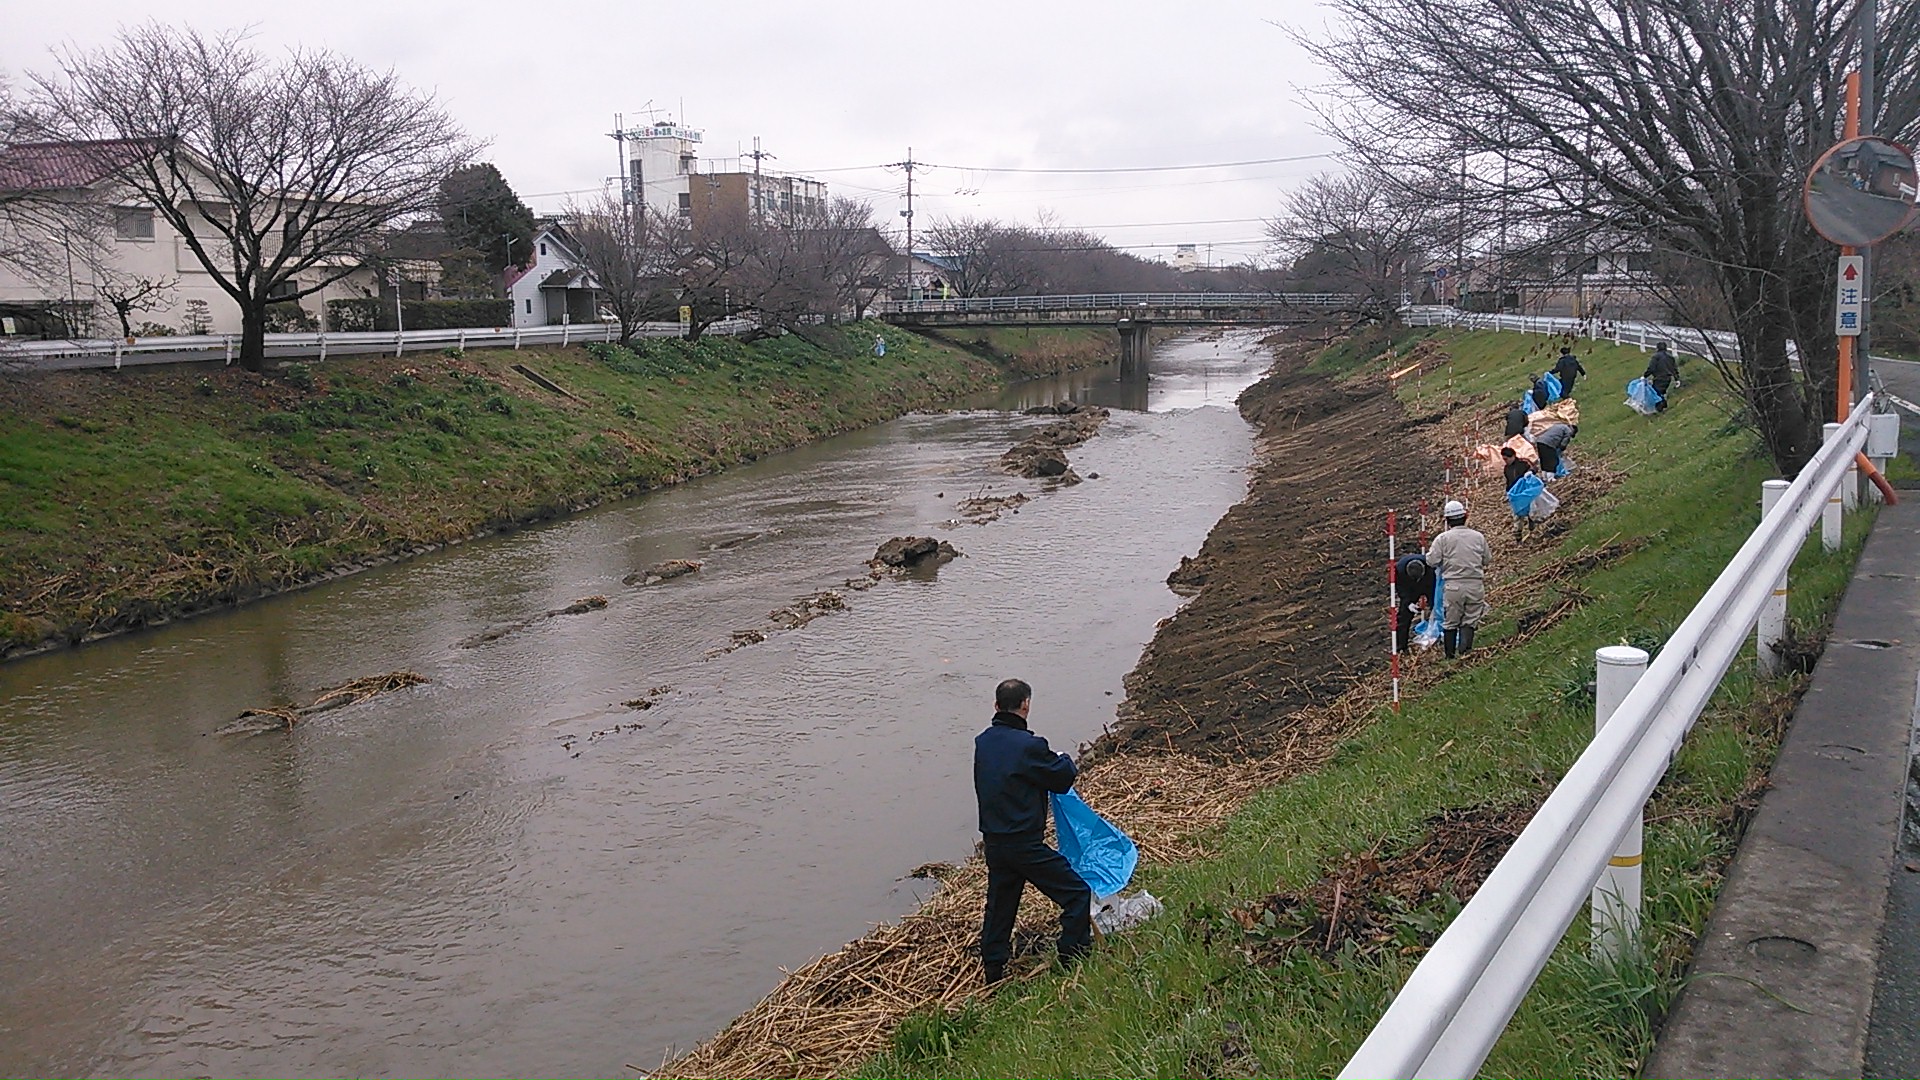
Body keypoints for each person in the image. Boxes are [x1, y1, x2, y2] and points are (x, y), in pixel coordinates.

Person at [974, 678, 1090, 985]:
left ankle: (993, 971)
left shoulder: (982, 743)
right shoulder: (1029, 746)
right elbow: (1062, 778)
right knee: (1076, 893)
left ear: (996, 706)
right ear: (1026, 705)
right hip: (1025, 844)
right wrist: (1064, 757)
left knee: (1000, 908)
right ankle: (1073, 956)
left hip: (995, 845)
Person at [1426, 500, 1490, 658]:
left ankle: (1450, 656)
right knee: (1470, 620)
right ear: (1465, 516)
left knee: (1450, 622)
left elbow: (1431, 561)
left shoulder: (1442, 539)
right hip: (1475, 585)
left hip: (1453, 586)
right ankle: (1465, 652)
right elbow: (1487, 559)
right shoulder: (1478, 537)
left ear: (1447, 520)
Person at [1393, 552, 1435, 652]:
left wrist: (1432, 605)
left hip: (1429, 585)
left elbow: (1435, 585)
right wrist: (1408, 603)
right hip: (1410, 589)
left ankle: (1436, 637)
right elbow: (1401, 588)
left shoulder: (1430, 565)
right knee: (1404, 617)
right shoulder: (1399, 570)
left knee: (1437, 610)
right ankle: (1401, 647)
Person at [1502, 447, 1541, 539]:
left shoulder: (1523, 463)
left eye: (1506, 459)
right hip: (1516, 495)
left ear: (1513, 456)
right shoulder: (1506, 468)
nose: (1505, 461)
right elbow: (1509, 481)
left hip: (1526, 492)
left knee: (1531, 511)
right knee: (1517, 515)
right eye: (1503, 459)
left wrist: (1530, 472)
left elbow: (1535, 469)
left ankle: (1533, 530)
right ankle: (1518, 535)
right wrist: (1508, 492)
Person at [1645, 343, 1679, 412]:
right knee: (1661, 392)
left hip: (1659, 378)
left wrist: (1645, 376)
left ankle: (1660, 408)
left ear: (1657, 348)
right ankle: (1662, 406)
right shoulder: (1670, 357)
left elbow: (1651, 368)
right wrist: (1677, 379)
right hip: (1668, 378)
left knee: (1656, 393)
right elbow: (1674, 369)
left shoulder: (1655, 357)